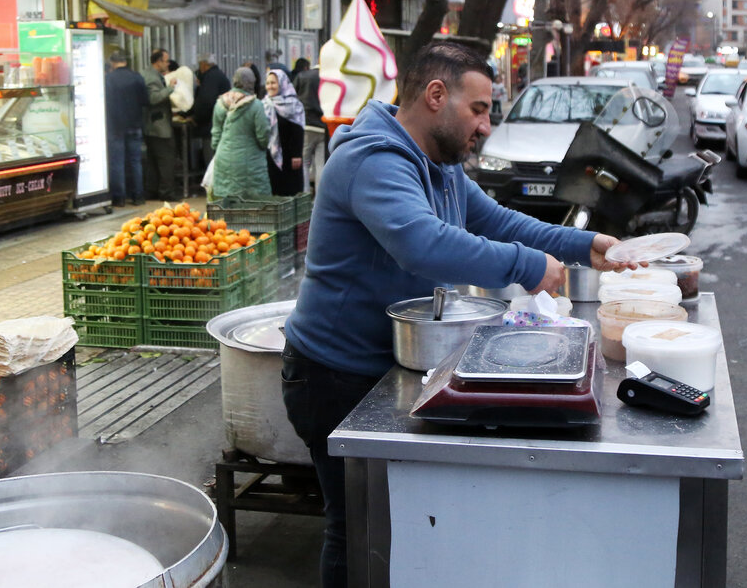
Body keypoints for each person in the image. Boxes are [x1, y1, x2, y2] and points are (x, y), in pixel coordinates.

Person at [281, 41, 639, 587]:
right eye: (479, 109)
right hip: (333, 374)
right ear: (435, 96)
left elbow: (499, 221)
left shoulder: (441, 164)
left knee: (397, 518)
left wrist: (584, 245)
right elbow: (424, 245)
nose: (487, 126)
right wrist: (526, 266)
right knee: (356, 526)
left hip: (393, 363)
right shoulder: (373, 159)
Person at [208, 66, 272, 200]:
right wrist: (262, 146)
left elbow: (215, 135)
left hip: (223, 159)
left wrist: (220, 151)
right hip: (251, 161)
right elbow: (263, 135)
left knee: (226, 202)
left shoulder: (220, 103)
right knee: (254, 203)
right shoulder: (256, 105)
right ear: (252, 83)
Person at [104, 50, 148, 207]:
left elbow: (105, 103)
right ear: (126, 62)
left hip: (115, 126)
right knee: (136, 161)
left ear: (113, 63)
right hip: (135, 124)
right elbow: (145, 100)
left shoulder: (108, 79)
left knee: (117, 162)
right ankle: (138, 196)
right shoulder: (137, 77)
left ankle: (119, 197)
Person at [142, 49, 178, 202]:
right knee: (165, 161)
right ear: (158, 62)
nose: (168, 63)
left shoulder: (153, 75)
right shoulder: (151, 78)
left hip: (153, 126)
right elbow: (154, 98)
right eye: (166, 60)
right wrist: (170, 88)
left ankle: (152, 190)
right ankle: (166, 192)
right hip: (158, 127)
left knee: (153, 162)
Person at [263, 68, 306, 195]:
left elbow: (298, 130)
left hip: (290, 158)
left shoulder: (294, 105)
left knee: (291, 191)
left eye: (273, 83)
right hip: (270, 156)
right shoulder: (264, 104)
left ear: (282, 83)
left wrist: (296, 154)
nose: (270, 86)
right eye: (268, 83)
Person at [192, 53, 231, 174]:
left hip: (211, 125)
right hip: (218, 124)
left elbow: (206, 102)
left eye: (200, 65)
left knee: (211, 159)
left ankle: (214, 186)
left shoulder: (211, 78)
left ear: (204, 65)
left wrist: (196, 118)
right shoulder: (217, 75)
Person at [291, 60, 326, 193]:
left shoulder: (302, 76)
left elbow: (293, 97)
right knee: (320, 165)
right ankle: (319, 198)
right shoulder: (328, 79)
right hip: (323, 126)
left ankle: (305, 196)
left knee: (305, 163)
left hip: (305, 125)